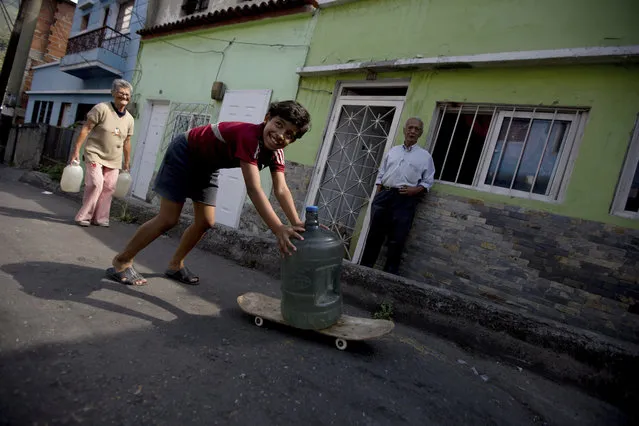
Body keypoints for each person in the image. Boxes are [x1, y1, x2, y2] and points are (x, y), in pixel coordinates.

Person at [106, 100, 311, 286]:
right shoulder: (249, 137)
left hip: (207, 165)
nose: (281, 135)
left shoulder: (277, 153)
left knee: (205, 222)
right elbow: (254, 189)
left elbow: (281, 188)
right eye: (279, 124)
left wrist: (296, 223)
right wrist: (278, 229)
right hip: (184, 152)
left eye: (290, 134)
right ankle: (121, 262)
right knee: (168, 219)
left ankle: (175, 265)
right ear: (267, 118)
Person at [360, 117, 435, 274]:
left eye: (416, 129)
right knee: (374, 236)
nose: (412, 131)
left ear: (420, 133)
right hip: (384, 196)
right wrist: (377, 195)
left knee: (397, 240)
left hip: (405, 200)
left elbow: (428, 182)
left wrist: (415, 190)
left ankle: (389, 278)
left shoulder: (425, 156)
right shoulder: (393, 151)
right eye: (410, 127)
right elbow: (381, 174)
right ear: (404, 129)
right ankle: (363, 271)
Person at [70, 79, 134, 227]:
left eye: (127, 95)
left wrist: (127, 161)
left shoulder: (129, 119)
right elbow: (86, 129)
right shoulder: (101, 109)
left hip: (114, 158)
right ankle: (84, 216)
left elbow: (127, 142)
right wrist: (76, 151)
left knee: (109, 187)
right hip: (95, 154)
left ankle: (100, 218)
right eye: (121, 93)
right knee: (96, 184)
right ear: (113, 93)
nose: (125, 97)